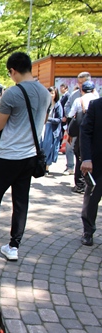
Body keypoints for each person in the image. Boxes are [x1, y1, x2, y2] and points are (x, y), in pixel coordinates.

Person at [0, 52, 51, 261]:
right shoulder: (45, 93)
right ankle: (13, 246)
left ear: (13, 71)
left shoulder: (13, 94)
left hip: (7, 155)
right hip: (30, 156)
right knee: (21, 202)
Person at [68, 80, 98, 194]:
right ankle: (92, 184)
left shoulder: (79, 100)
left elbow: (71, 116)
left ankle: (80, 184)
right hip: (96, 134)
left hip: (82, 132)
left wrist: (69, 133)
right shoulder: (97, 99)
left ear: (82, 90)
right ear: (94, 89)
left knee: (80, 157)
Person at [79, 96, 102, 246]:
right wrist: (86, 158)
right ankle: (88, 231)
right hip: (98, 161)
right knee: (92, 197)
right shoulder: (96, 105)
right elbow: (85, 132)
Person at [41, 86, 63, 175]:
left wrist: (48, 119)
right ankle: (41, 165)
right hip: (42, 127)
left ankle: (46, 167)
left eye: (52, 93)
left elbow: (59, 119)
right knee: (40, 146)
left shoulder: (58, 105)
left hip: (51, 129)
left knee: (48, 148)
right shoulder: (44, 103)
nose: (51, 95)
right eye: (49, 93)